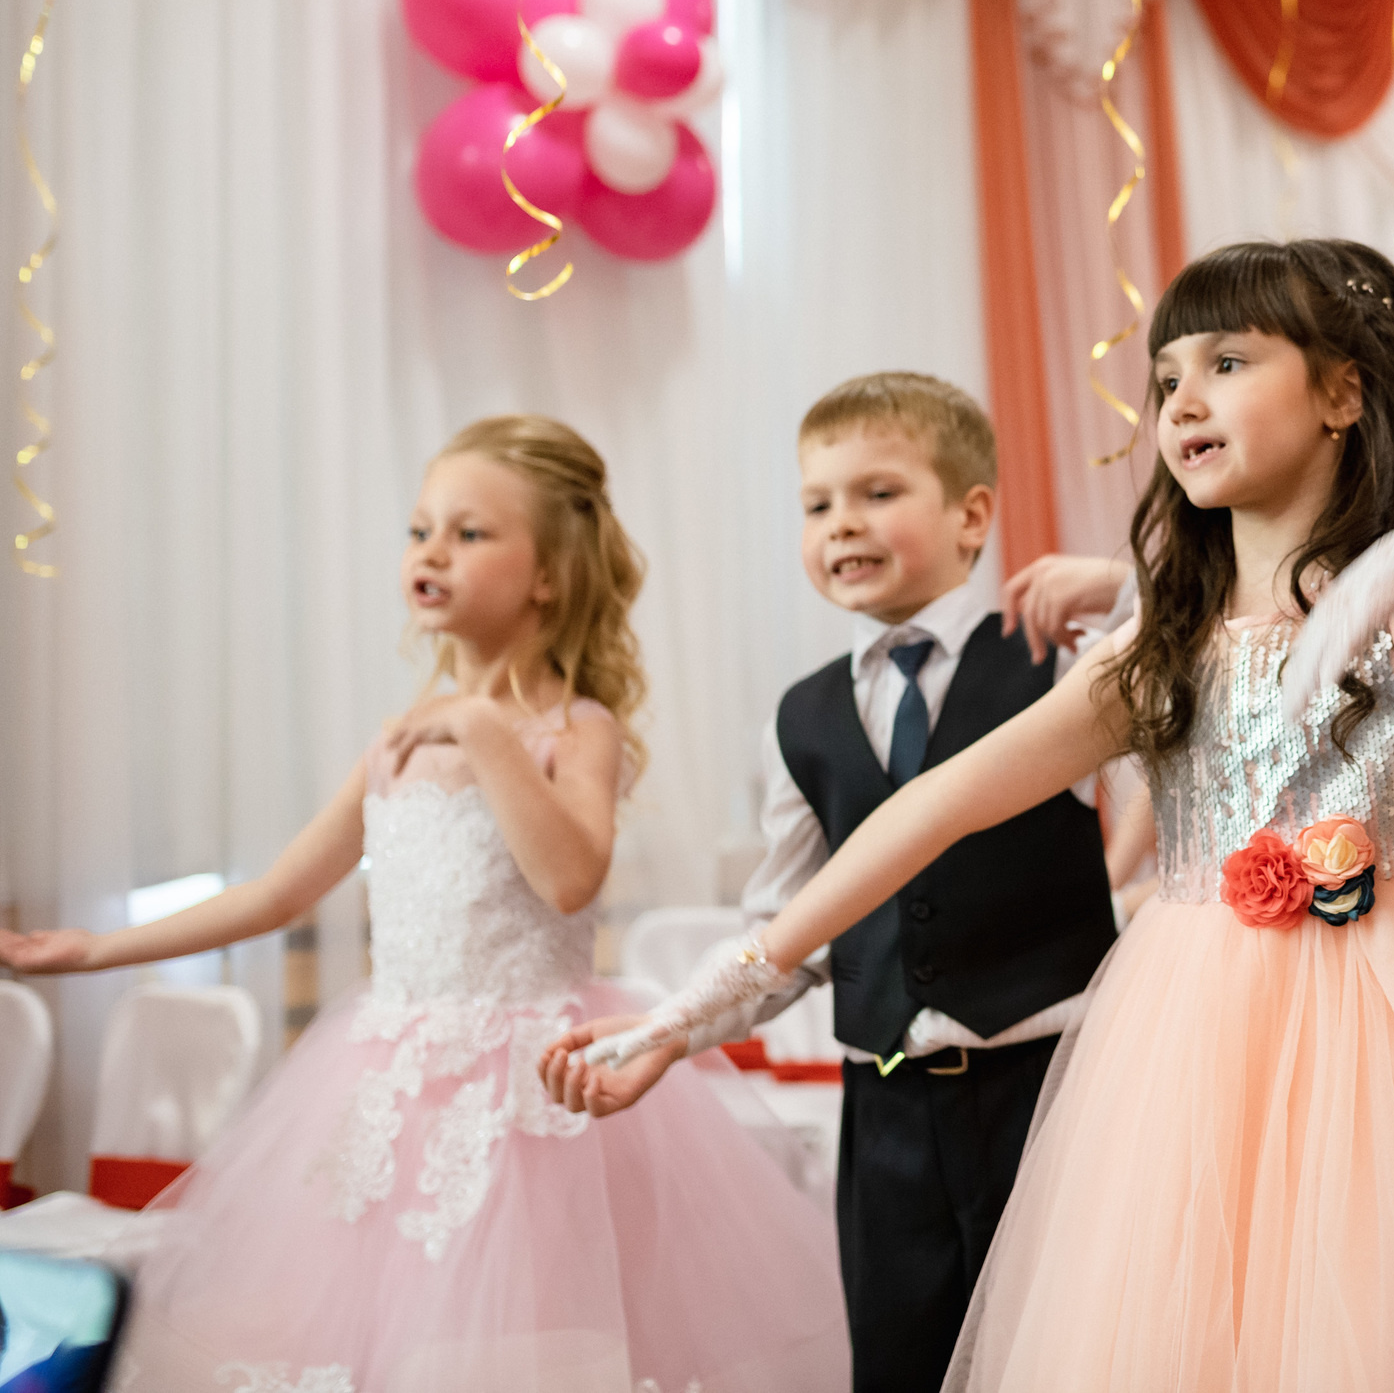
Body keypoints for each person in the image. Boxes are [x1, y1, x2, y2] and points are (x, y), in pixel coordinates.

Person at [551, 238, 1394, 1392]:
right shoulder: (1155, 655)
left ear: (1343, 391)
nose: (1183, 398)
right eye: (1165, 378)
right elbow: (925, 814)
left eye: (1229, 361)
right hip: (1193, 1049)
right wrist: (687, 1013)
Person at [0, 417, 848, 1391]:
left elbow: (569, 878)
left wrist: (487, 729)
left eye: (470, 532)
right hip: (390, 1074)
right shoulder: (398, 740)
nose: (432, 550)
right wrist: (91, 948)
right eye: (419, 530)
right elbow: (279, 891)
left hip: (532, 1089)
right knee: (380, 1335)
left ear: (549, 575)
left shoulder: (575, 728)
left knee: (519, 1338)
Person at [546, 373, 1119, 1393]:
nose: (841, 523)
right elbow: (788, 930)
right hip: (886, 1113)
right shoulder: (802, 716)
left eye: (878, 493)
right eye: (817, 504)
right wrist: (664, 1032)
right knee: (898, 1363)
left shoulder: (1058, 662)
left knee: (1065, 1356)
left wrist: (1114, 581)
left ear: (970, 514)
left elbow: (1214, 633)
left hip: (1046, 1094)